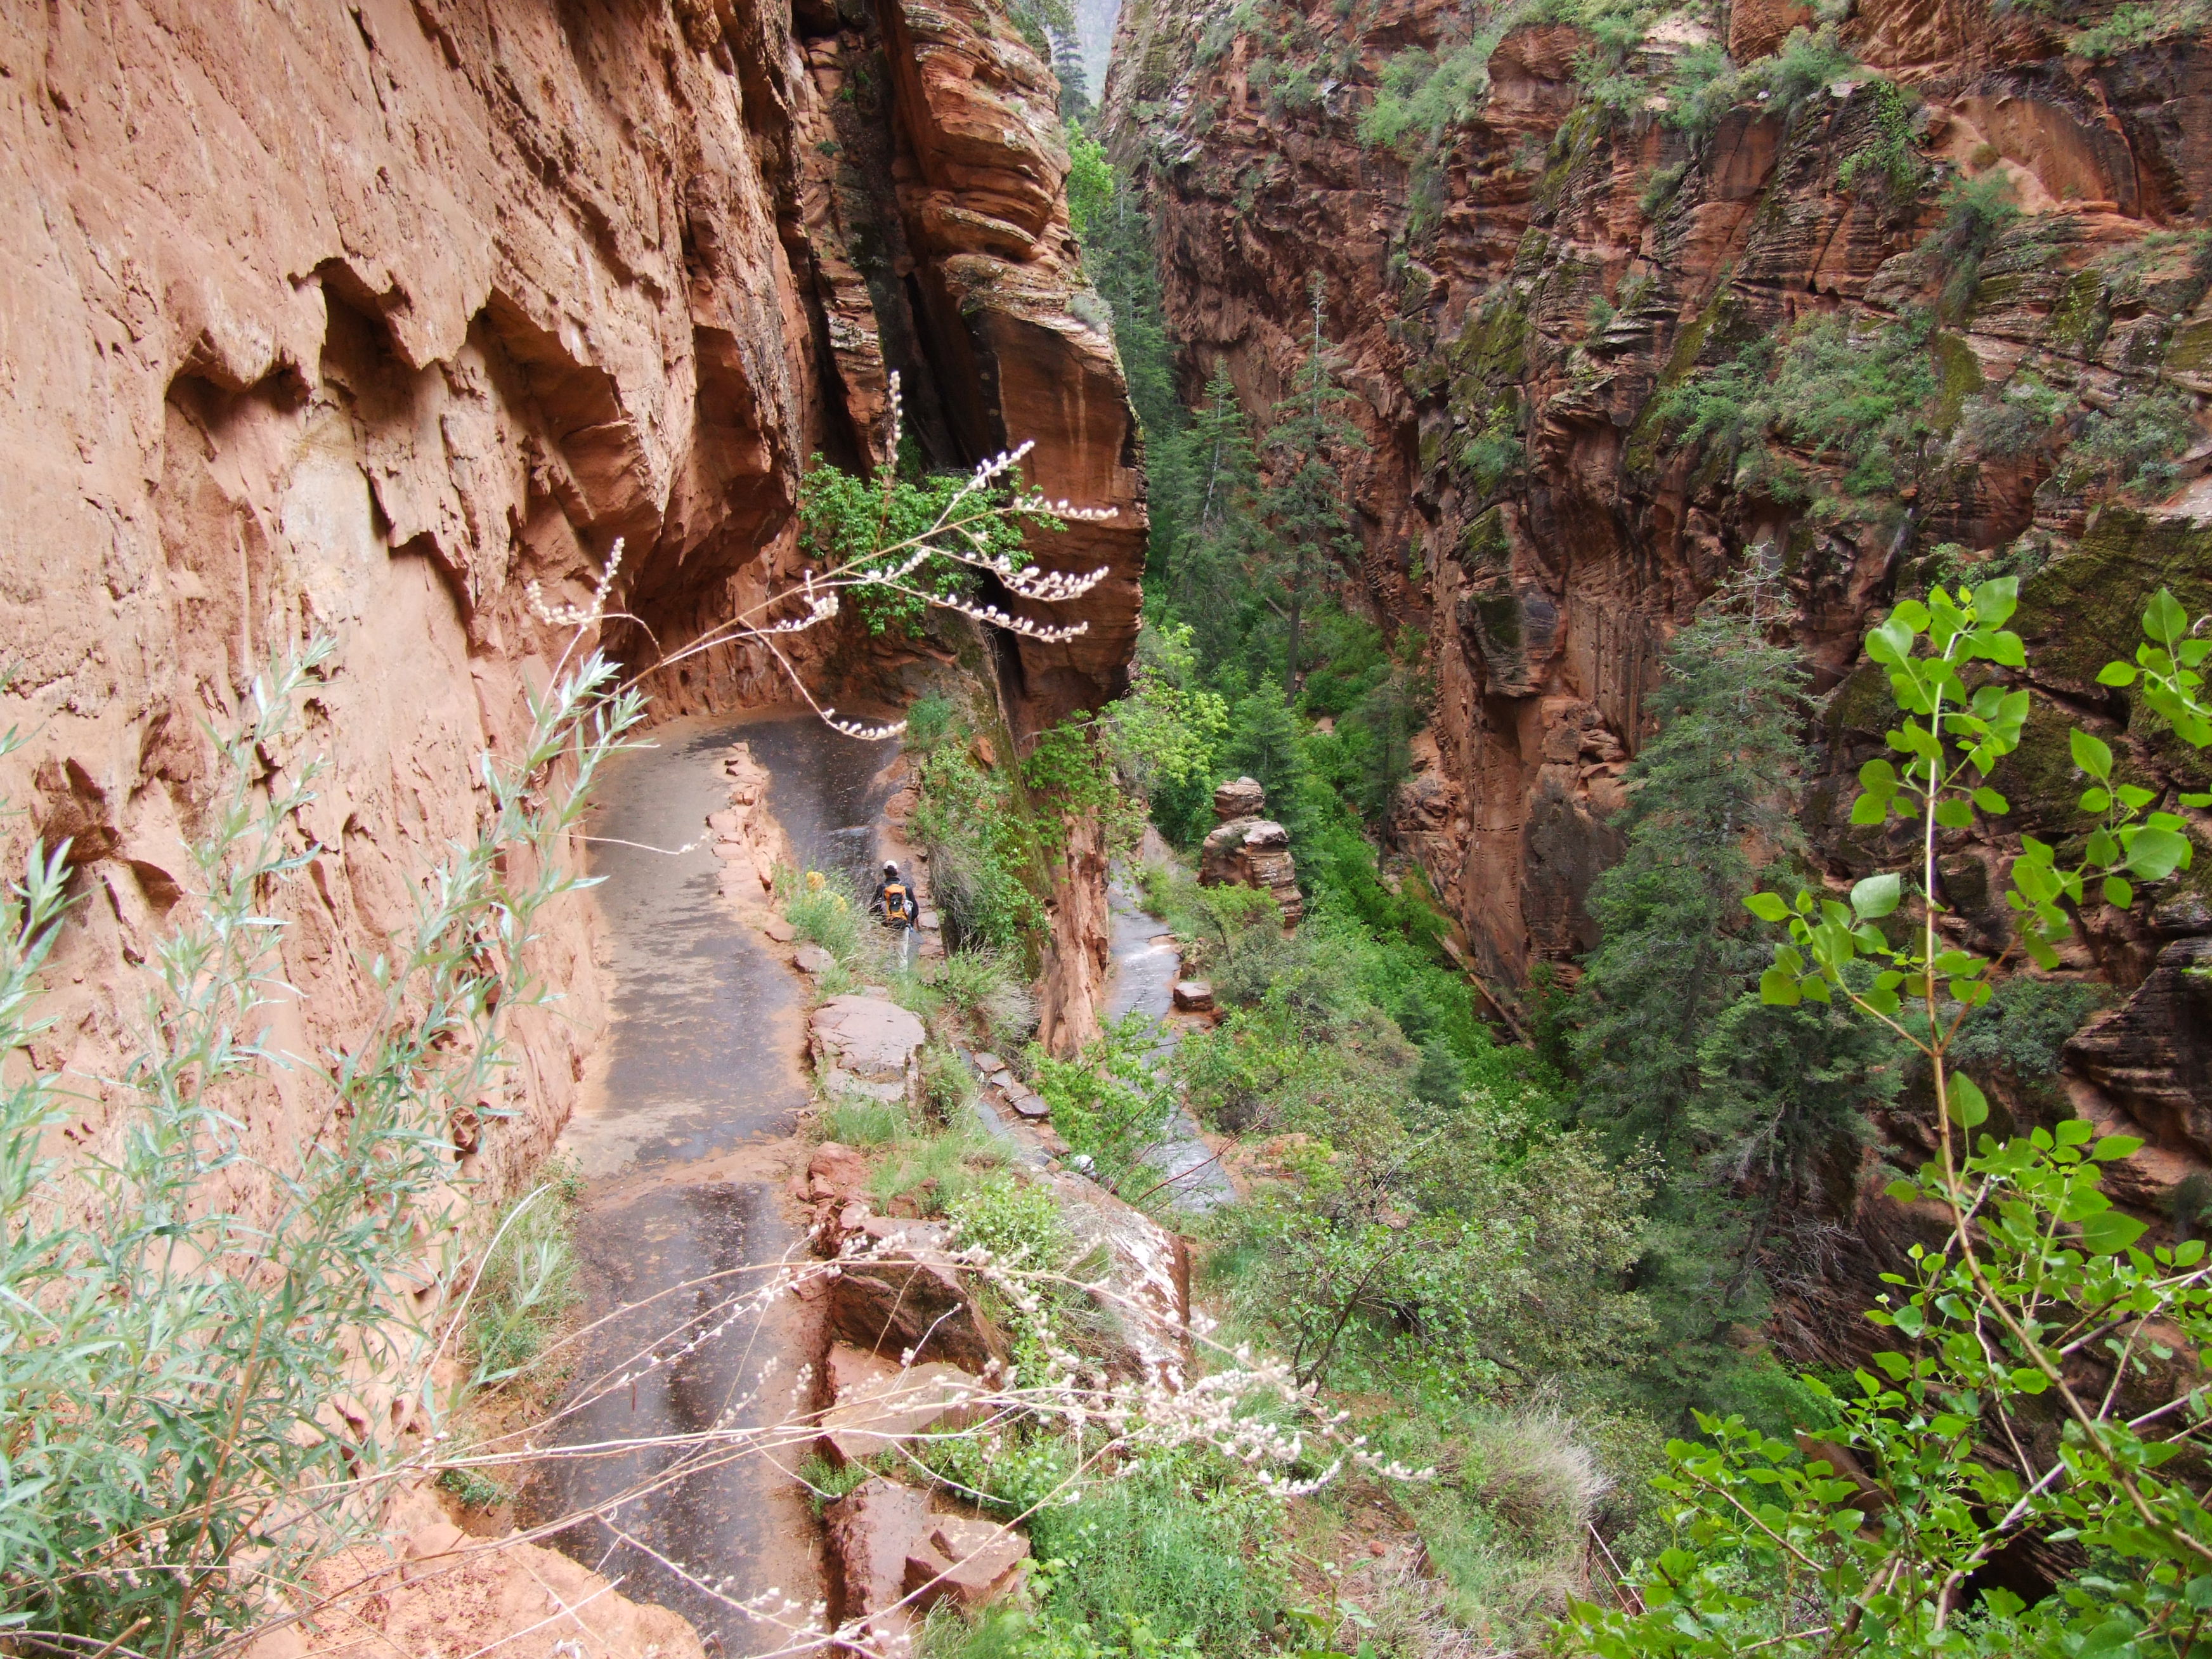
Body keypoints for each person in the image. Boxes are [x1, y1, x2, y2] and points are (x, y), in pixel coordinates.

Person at [871, 861, 916, 930]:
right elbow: (915, 911)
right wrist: (908, 921)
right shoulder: (906, 887)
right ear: (897, 871)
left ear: (885, 873)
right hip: (904, 925)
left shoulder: (882, 888)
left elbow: (873, 909)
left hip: (887, 926)